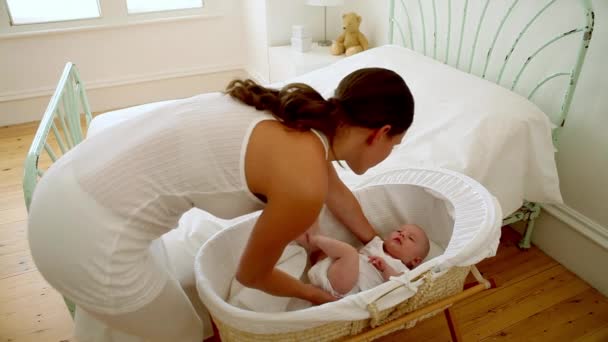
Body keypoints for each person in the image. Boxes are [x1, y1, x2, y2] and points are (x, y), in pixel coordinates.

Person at [27, 67, 414, 341]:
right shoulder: (304, 179)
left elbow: (340, 196)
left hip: (71, 182)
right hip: (86, 234)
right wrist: (323, 300)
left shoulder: (306, 122)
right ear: (379, 133)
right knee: (183, 332)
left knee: (124, 319)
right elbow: (252, 275)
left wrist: (376, 241)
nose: (390, 152)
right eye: (394, 145)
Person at [297, 223, 430, 298]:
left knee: (349, 253)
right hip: (334, 272)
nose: (402, 234)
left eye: (411, 238)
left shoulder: (403, 270)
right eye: (400, 230)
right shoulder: (377, 243)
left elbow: (398, 284)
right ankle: (310, 238)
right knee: (344, 253)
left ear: (415, 261)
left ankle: (314, 239)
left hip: (348, 289)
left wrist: (385, 268)